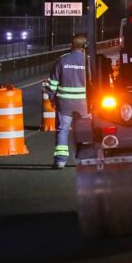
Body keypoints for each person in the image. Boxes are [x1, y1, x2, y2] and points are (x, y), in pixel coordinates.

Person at [47, 33, 88, 169]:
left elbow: (52, 83)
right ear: (84, 47)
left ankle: (60, 161)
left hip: (65, 104)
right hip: (85, 105)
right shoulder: (88, 60)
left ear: (71, 45)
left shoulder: (62, 60)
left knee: (63, 130)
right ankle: (85, 159)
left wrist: (52, 98)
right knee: (86, 130)